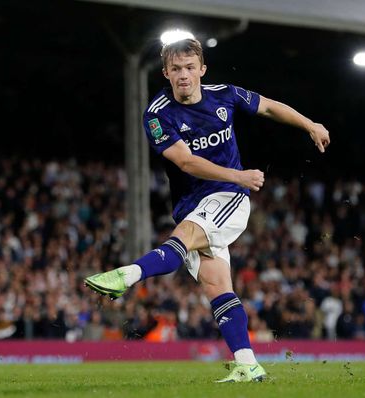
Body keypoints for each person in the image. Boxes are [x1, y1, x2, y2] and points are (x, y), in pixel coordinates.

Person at [84, 38, 330, 383]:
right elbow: (185, 162)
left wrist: (309, 124)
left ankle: (128, 276)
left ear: (201, 70)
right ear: (166, 73)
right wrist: (239, 173)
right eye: (176, 69)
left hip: (229, 197)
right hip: (194, 203)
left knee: (181, 239)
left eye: (189, 68)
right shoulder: (157, 114)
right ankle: (248, 364)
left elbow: (270, 107)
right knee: (217, 288)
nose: (183, 75)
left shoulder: (224, 95)